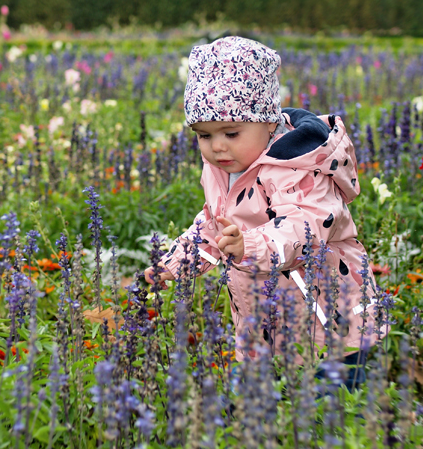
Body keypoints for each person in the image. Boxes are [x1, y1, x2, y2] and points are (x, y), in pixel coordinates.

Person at [144, 37, 384, 376]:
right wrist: (174, 264)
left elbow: (306, 226)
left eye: (230, 133)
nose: (217, 148)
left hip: (329, 318)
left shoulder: (297, 167)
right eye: (204, 135)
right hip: (265, 323)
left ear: (269, 122)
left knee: (335, 410)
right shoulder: (223, 170)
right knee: (261, 411)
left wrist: (250, 245)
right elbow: (214, 226)